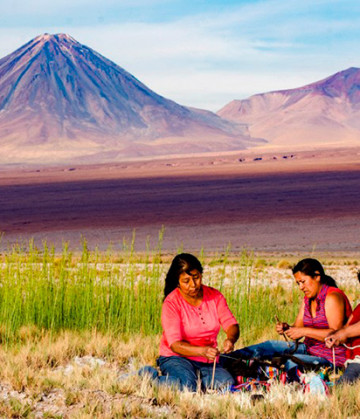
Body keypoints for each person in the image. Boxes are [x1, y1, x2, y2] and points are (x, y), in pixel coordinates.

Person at [223, 258, 352, 382]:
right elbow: (297, 327)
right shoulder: (307, 299)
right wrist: (288, 328)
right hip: (309, 349)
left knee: (290, 362)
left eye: (303, 281)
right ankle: (224, 360)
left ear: (317, 276)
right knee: (267, 346)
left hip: (331, 358)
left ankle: (259, 374)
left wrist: (303, 331)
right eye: (298, 283)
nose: (301, 287)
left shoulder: (332, 297)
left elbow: (336, 335)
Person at [157, 253, 239, 392]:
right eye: (186, 281)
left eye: (196, 278)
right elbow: (175, 345)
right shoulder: (171, 303)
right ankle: (147, 376)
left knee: (226, 384)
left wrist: (230, 339)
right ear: (177, 282)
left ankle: (193, 379)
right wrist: (202, 351)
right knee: (188, 387)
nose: (193, 285)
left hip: (206, 361)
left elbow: (231, 324)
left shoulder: (215, 296)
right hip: (176, 358)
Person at [325, 272, 360, 384]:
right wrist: (335, 337)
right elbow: (346, 328)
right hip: (352, 359)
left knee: (341, 386)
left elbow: (346, 331)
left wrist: (343, 334)